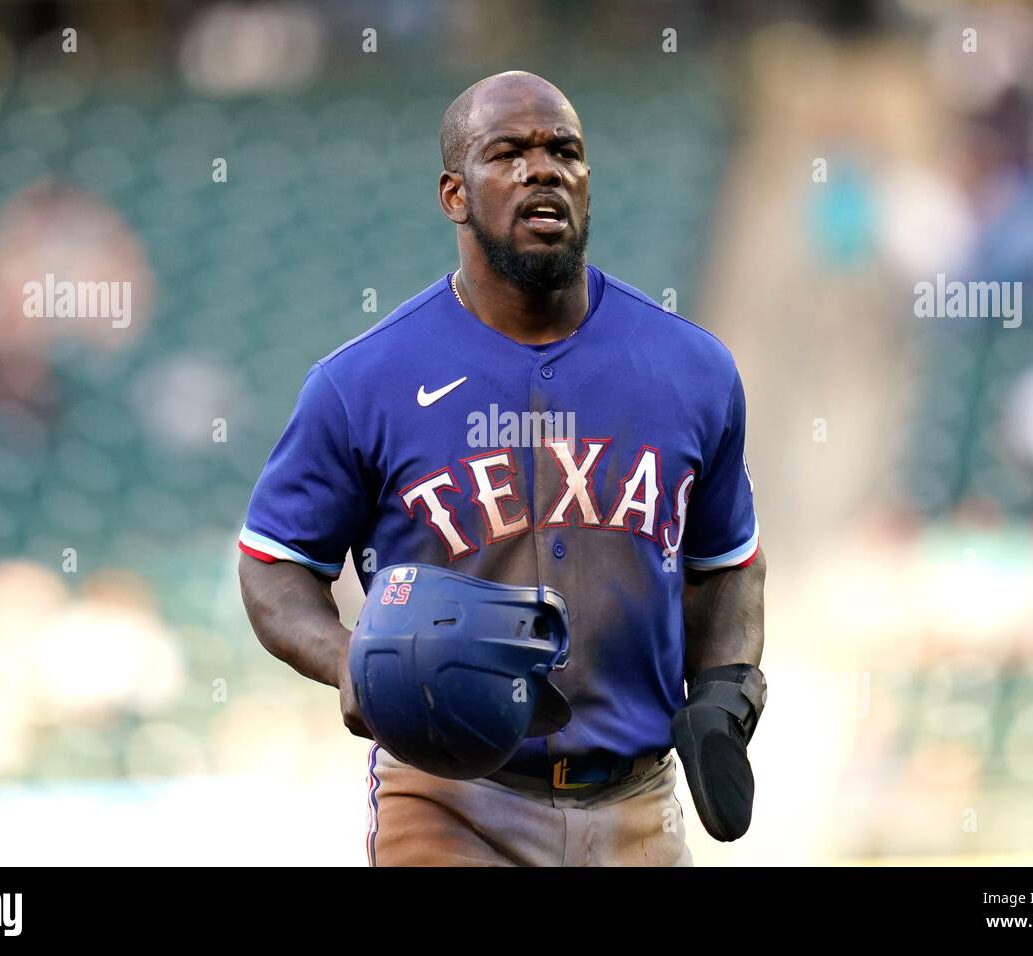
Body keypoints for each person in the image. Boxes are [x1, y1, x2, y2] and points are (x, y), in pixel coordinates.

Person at [238, 71, 766, 866]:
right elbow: (274, 566)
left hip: (636, 801)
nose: (543, 168)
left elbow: (727, 564)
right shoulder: (363, 383)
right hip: (449, 798)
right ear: (454, 194)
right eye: (508, 153)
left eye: (565, 151)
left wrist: (724, 690)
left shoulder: (692, 368)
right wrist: (348, 658)